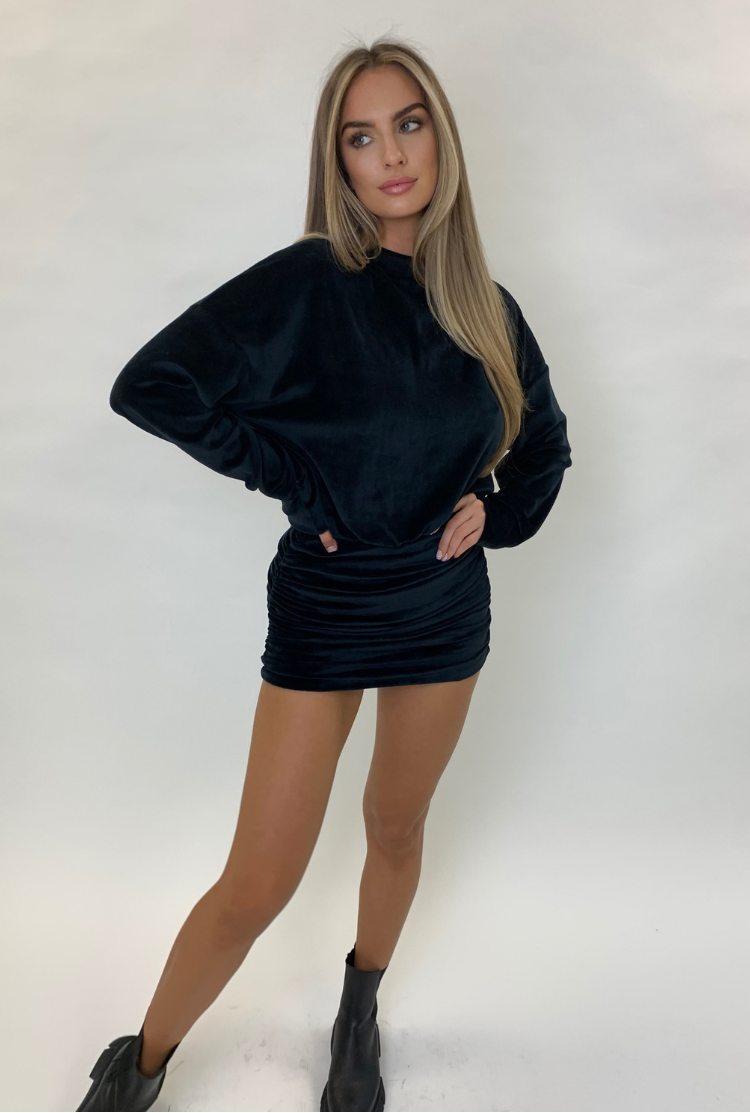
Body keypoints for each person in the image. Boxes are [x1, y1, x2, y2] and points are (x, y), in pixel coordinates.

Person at [76, 35, 572, 1113]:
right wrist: (295, 477)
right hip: (328, 605)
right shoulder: (309, 283)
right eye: (361, 136)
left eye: (409, 124)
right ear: (336, 160)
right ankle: (140, 1062)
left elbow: (545, 449)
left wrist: (493, 509)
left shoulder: (487, 307)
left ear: (441, 138)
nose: (391, 154)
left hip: (441, 609)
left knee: (395, 825)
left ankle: (359, 1009)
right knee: (259, 880)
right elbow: (152, 384)